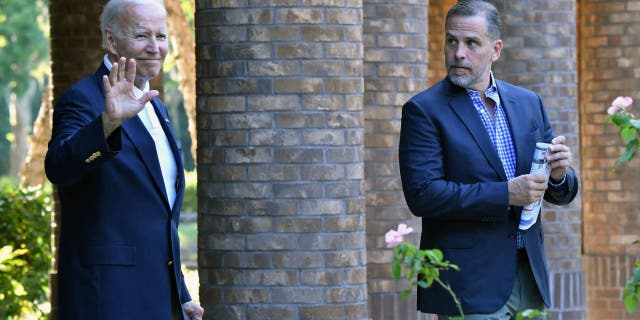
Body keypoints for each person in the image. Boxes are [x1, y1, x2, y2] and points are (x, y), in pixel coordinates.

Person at [398, 1, 578, 319]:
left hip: (529, 277)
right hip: (470, 284)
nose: (458, 53)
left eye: (471, 43)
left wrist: (559, 176)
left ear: (495, 49)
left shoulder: (528, 102)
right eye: (451, 41)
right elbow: (423, 196)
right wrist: (506, 193)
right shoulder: (423, 110)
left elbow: (559, 193)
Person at [45, 0, 204, 319]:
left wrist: (180, 297)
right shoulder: (85, 98)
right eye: (141, 35)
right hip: (108, 298)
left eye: (161, 36)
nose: (155, 47)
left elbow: (160, 216)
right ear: (110, 39)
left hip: (158, 298)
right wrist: (107, 123)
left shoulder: (156, 106)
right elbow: (59, 167)